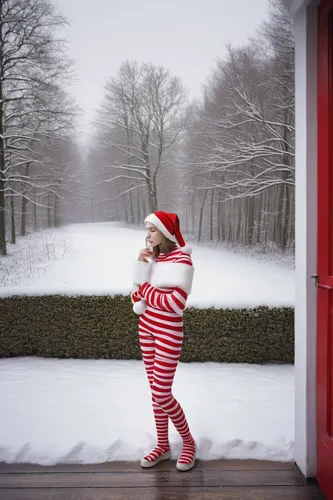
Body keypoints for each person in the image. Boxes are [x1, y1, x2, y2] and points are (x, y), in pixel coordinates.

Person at [131, 211, 196, 472]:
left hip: (169, 332)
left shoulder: (182, 258)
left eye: (152, 230)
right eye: (146, 229)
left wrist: (146, 289)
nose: (147, 235)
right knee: (154, 392)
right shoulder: (153, 257)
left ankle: (189, 443)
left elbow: (176, 303)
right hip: (146, 327)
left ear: (165, 232)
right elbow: (134, 295)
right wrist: (139, 266)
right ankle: (162, 445)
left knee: (162, 392)